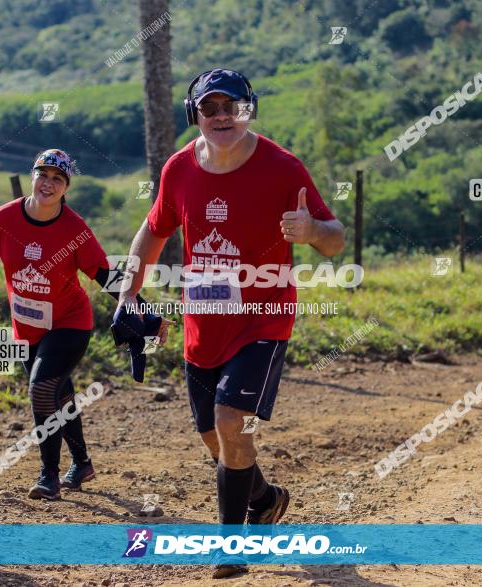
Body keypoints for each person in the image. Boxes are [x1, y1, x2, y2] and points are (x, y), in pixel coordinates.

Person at [116, 69, 345, 578]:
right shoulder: (178, 170)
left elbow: (336, 240)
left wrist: (310, 231)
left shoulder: (283, 168)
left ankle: (231, 545)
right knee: (218, 442)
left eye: (232, 106)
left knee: (229, 421)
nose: (221, 116)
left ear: (249, 108)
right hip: (204, 325)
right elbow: (152, 232)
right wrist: (128, 294)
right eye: (209, 107)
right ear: (194, 114)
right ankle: (265, 500)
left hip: (264, 319)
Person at [0, 149, 167, 499]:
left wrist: (142, 311)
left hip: (69, 324)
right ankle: (83, 463)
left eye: (58, 179)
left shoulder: (75, 229)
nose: (49, 183)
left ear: (66, 187)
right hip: (27, 328)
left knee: (41, 389)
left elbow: (106, 276)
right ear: (33, 176)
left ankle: (49, 476)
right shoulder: (5, 220)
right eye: (43, 174)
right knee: (61, 395)